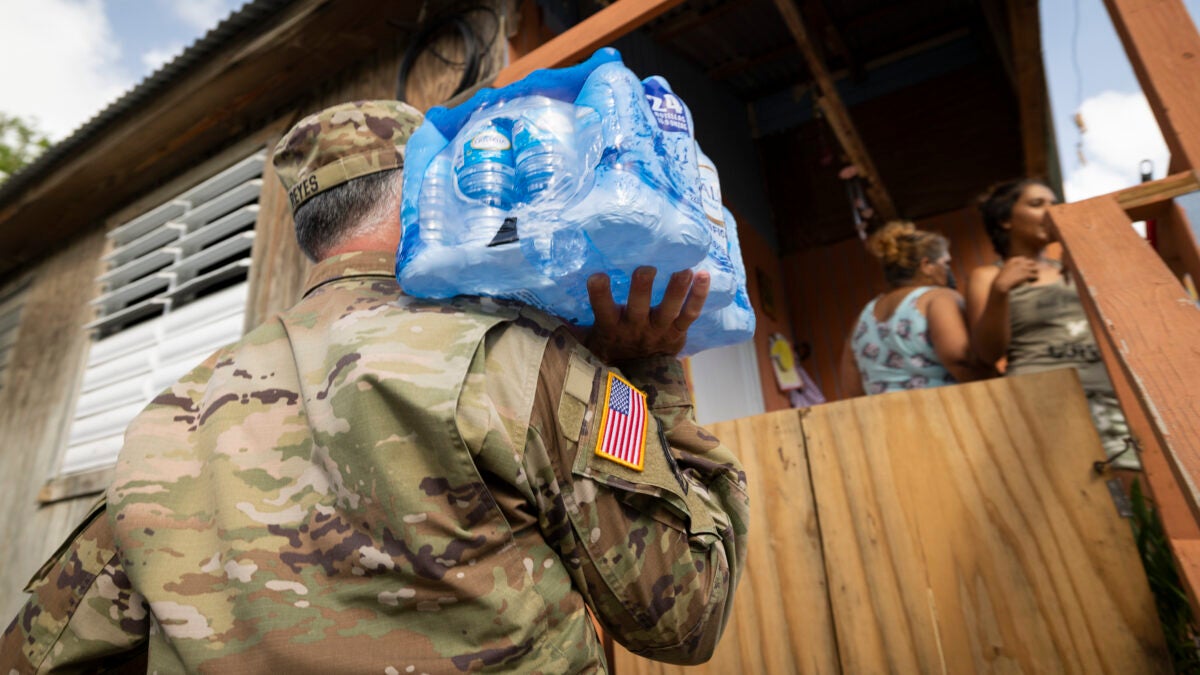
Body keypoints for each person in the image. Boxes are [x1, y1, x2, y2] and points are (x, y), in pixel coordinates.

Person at [1, 101, 749, 673]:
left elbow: (39, 649)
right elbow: (687, 613)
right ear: (430, 190)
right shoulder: (512, 360)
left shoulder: (168, 418)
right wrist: (648, 369)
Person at [966, 178, 1137, 471]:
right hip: (1039, 399)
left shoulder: (1075, 266)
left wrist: (1091, 268)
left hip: (1112, 395)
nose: (1052, 211)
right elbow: (987, 353)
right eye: (1037, 204)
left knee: (1142, 491)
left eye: (1055, 204)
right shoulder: (987, 276)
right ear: (1006, 220)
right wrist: (999, 292)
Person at [840, 220, 983, 396]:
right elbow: (961, 360)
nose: (948, 270)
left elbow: (852, 388)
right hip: (944, 414)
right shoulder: (938, 298)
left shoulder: (863, 318)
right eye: (945, 263)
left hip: (886, 420)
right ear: (927, 266)